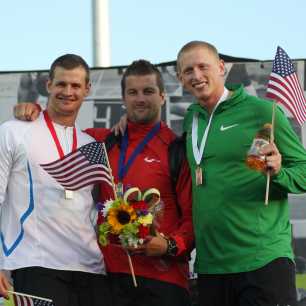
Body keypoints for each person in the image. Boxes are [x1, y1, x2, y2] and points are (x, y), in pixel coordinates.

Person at [13, 59, 194, 306]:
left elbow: (194, 217)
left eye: (148, 91)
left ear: (162, 96)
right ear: (123, 98)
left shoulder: (177, 149)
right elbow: (59, 129)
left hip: (165, 279)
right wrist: (32, 111)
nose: (140, 99)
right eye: (132, 92)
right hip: (110, 280)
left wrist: (170, 246)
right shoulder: (99, 142)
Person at [176, 40, 306, 306]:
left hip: (262, 259)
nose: (197, 75)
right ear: (180, 77)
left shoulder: (262, 112)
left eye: (203, 66)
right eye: (188, 70)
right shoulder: (192, 119)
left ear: (221, 67)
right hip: (212, 264)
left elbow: (303, 170)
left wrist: (279, 172)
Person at [0, 54, 111, 306]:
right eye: (61, 84)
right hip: (34, 264)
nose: (68, 92)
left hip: (90, 269)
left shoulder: (91, 144)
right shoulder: (13, 131)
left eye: (75, 86)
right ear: (48, 85)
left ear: (87, 90)